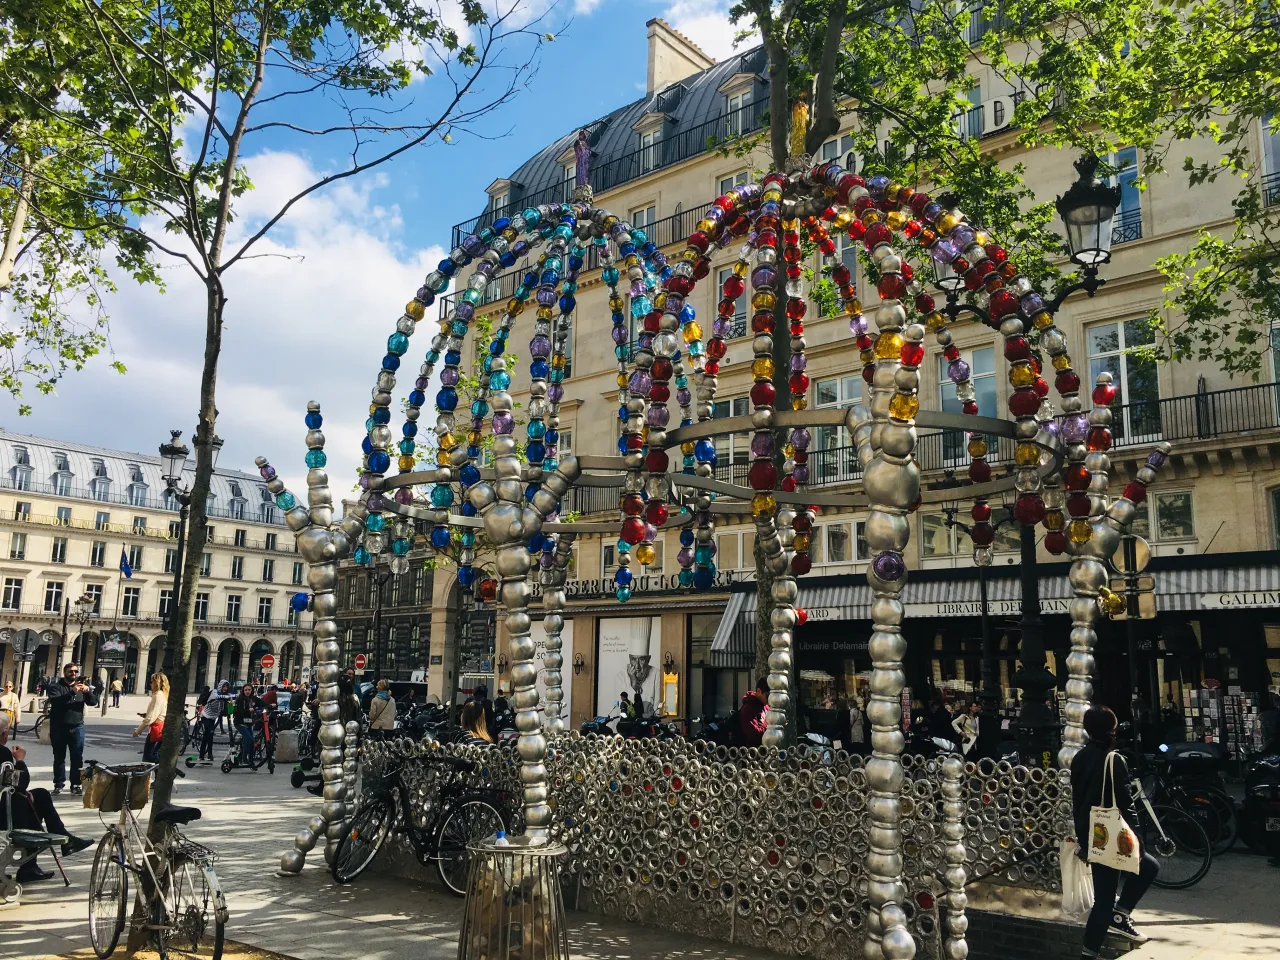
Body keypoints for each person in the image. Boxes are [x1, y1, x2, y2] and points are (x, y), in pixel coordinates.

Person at [1073, 705, 1160, 953]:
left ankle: (1089, 952)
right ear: (1111, 731)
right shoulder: (1115, 760)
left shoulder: (1079, 758)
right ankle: (1120, 915)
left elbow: (1076, 803)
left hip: (1093, 835)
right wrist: (1138, 840)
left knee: (1103, 899)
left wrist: (1084, 841)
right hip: (1112, 835)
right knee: (1148, 867)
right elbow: (1127, 804)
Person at [0, 713, 94, 881]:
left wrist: (20, 792)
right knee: (38, 798)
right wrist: (20, 761)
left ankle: (34, 864)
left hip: (8, 805)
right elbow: (19, 782)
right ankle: (34, 863)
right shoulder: (3, 754)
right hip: (4, 817)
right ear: (4, 733)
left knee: (38, 796)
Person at [46, 661, 98, 795]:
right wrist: (72, 692)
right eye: (71, 671)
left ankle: (76, 784)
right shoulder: (56, 686)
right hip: (59, 727)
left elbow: (93, 702)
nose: (74, 674)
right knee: (59, 757)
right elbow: (57, 702)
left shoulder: (81, 688)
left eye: (76, 671)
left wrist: (88, 692)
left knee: (77, 757)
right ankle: (58, 784)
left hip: (77, 727)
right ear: (65, 673)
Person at [133, 673, 169, 764]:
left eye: (152, 681)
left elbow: (150, 718)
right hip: (159, 727)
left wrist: (138, 731)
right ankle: (159, 772)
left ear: (157, 682)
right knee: (154, 754)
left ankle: (163, 767)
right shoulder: (161, 695)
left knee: (148, 756)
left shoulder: (158, 696)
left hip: (156, 728)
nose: (150, 684)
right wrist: (146, 714)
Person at [198, 681, 232, 763]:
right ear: (220, 686)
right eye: (224, 686)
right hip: (206, 715)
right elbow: (218, 697)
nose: (225, 688)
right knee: (208, 733)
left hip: (213, 717)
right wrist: (228, 697)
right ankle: (205, 755)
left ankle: (206, 755)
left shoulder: (225, 696)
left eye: (226, 687)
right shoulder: (214, 692)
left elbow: (224, 709)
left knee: (209, 735)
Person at [233, 683, 264, 768]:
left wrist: (270, 705)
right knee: (249, 739)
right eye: (246, 690)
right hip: (240, 722)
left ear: (252, 690)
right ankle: (244, 758)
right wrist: (248, 710)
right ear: (243, 690)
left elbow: (262, 703)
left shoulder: (253, 699)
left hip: (249, 722)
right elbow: (240, 711)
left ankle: (250, 760)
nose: (247, 691)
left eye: (249, 690)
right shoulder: (240, 699)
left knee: (251, 742)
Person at [738, 677, 769, 747]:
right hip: (752, 753)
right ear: (759, 691)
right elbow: (753, 734)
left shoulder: (766, 706)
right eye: (768, 695)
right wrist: (771, 727)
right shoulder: (748, 708)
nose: (770, 698)